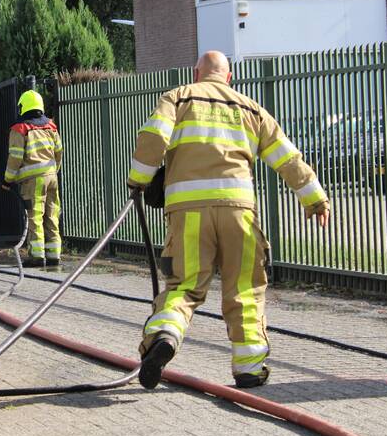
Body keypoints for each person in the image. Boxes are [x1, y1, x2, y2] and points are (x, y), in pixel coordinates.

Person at [127, 51, 329, 389]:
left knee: (185, 285)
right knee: (245, 289)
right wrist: (314, 198)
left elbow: (153, 139)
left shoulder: (179, 97)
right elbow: (286, 156)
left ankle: (166, 333)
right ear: (229, 77)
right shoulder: (250, 109)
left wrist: (139, 180)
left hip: (188, 212)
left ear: (197, 74)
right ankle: (249, 368)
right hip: (239, 212)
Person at [3, 89, 64, 266]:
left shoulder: (20, 129)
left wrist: (7, 180)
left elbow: (15, 157)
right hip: (52, 178)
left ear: (23, 107)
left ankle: (37, 256)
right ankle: (54, 255)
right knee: (52, 215)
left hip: (33, 181)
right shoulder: (50, 127)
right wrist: (53, 170)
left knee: (35, 215)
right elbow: (59, 151)